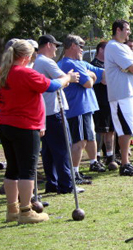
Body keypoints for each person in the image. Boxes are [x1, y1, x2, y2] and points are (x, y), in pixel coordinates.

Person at [0, 40, 74, 223]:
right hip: (24, 125)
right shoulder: (25, 73)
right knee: (27, 170)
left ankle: (12, 210)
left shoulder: (1, 72)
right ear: (28, 57)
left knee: (12, 169)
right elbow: (52, 86)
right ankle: (25, 211)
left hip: (5, 123)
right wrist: (66, 78)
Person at [33, 34, 83, 194]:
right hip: (54, 111)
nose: (56, 49)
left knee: (48, 151)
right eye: (55, 45)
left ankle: (52, 183)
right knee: (63, 148)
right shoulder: (45, 61)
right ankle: (67, 184)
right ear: (48, 45)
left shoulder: (36, 62)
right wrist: (71, 77)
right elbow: (62, 79)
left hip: (43, 112)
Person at [58, 35, 106, 184]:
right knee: (79, 142)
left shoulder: (80, 63)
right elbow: (88, 83)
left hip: (85, 108)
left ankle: (90, 164)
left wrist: (90, 74)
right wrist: (91, 76)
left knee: (88, 138)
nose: (82, 49)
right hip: (76, 108)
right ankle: (74, 174)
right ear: (72, 46)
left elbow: (102, 73)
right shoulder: (69, 63)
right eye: (81, 46)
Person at [104, 19, 133, 176]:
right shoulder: (113, 46)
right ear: (118, 30)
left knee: (128, 129)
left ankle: (127, 163)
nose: (129, 32)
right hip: (121, 94)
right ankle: (125, 164)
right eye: (126, 29)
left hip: (129, 94)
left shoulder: (123, 47)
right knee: (125, 129)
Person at [91, 41, 119, 170]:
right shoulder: (93, 65)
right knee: (100, 131)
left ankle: (110, 157)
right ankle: (96, 158)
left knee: (111, 131)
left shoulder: (110, 64)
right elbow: (105, 81)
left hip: (111, 101)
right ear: (101, 50)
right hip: (99, 103)